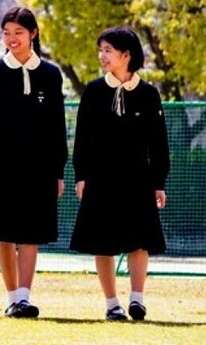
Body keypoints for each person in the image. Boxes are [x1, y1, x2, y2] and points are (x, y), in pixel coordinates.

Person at [0, 7, 68, 318]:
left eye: (19, 33)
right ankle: (12, 297)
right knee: (5, 233)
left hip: (38, 168)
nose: (12, 39)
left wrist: (58, 170)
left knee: (30, 233)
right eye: (6, 33)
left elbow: (57, 126)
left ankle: (25, 297)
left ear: (33, 34)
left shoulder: (51, 74)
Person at [70, 27, 170, 321]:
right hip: (100, 178)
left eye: (108, 50)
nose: (102, 56)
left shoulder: (149, 94)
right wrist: (81, 176)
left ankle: (137, 299)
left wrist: (158, 182)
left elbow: (158, 143)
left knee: (139, 240)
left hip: (138, 178)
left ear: (127, 55)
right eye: (100, 50)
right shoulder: (93, 91)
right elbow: (83, 138)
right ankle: (112, 304)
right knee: (102, 241)